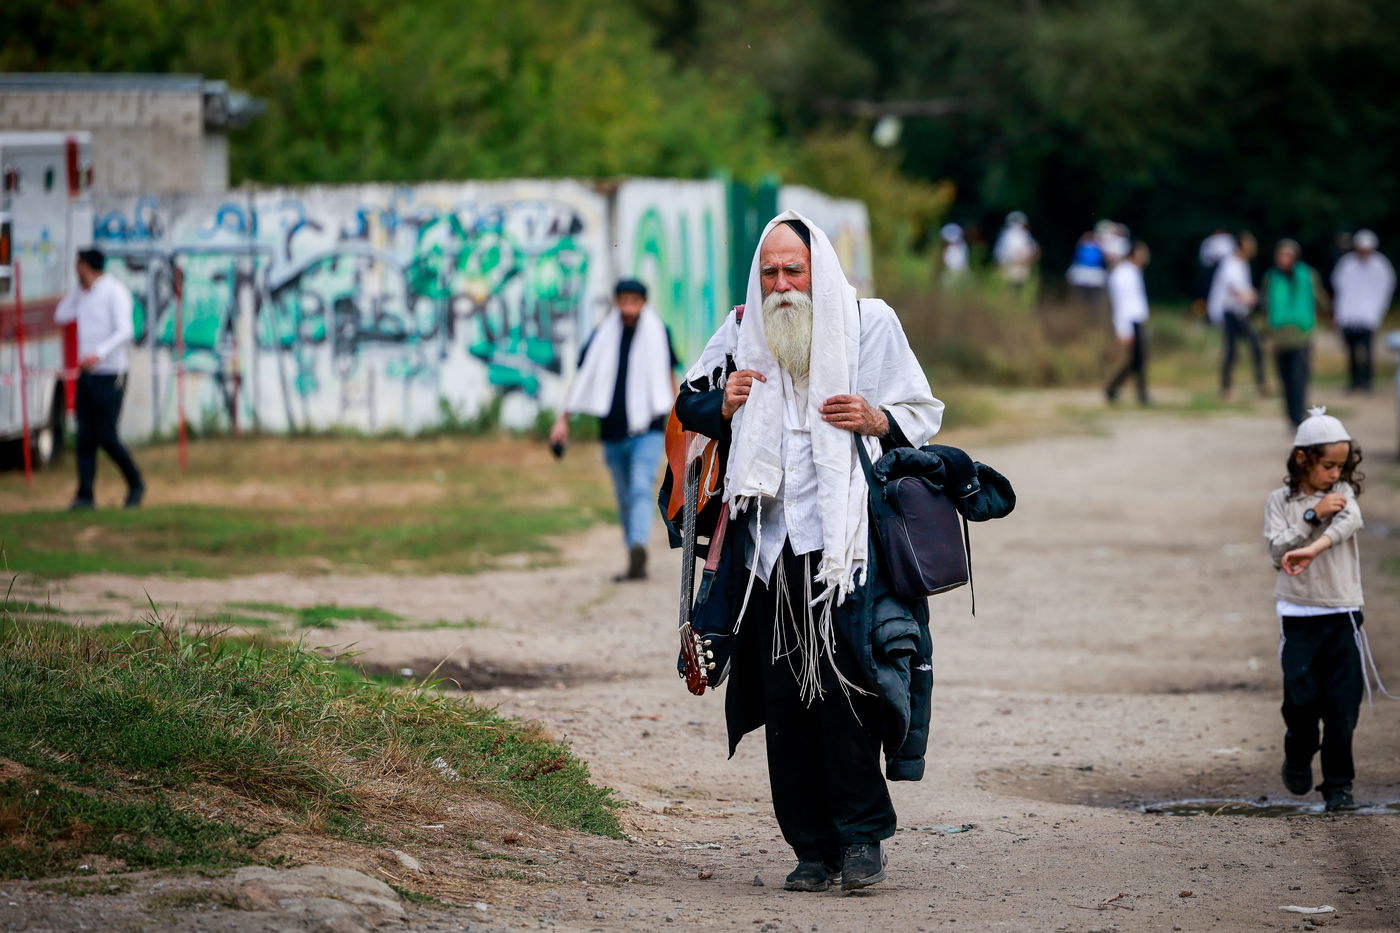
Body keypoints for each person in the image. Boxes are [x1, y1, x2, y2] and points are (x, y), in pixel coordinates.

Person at [675, 212, 944, 893]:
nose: (782, 284)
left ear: (817, 268)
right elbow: (688, 403)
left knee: (848, 690)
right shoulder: (742, 329)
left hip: (842, 548)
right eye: (770, 271)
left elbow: (920, 408)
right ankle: (810, 847)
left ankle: (861, 839)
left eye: (793, 269)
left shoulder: (869, 320)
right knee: (783, 702)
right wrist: (725, 403)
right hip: (766, 548)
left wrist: (876, 418)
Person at [1266, 407, 1393, 812]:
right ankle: (1299, 751)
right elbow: (1276, 550)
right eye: (1327, 465)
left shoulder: (1344, 496)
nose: (1335, 473)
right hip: (1299, 615)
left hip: (1343, 613)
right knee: (1300, 703)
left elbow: (1348, 523)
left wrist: (1314, 545)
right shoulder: (1280, 502)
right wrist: (1310, 517)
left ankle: (1340, 785)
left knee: (1342, 707)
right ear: (1303, 459)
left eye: (1341, 465)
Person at [551, 279, 678, 582]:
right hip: (611, 432)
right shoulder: (601, 336)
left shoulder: (659, 333)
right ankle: (634, 555)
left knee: (639, 486)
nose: (629, 307)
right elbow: (583, 377)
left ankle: (637, 544)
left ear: (643, 303)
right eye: (624, 300)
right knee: (623, 496)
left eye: (635, 301)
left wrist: (679, 418)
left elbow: (669, 376)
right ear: (617, 302)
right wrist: (563, 419)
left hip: (648, 428)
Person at [53, 248, 144, 510]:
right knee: (85, 437)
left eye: (78, 265)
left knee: (107, 436)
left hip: (111, 374)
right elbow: (61, 315)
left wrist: (99, 353)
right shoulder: (83, 294)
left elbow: (126, 330)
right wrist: (77, 291)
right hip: (87, 375)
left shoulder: (115, 291)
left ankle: (135, 482)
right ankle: (85, 495)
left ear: (86, 265)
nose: (75, 270)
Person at [1262, 240, 1325, 427]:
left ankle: (1298, 417)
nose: (1283, 259)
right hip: (1279, 335)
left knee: (1299, 378)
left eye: (1287, 254)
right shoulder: (1271, 277)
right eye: (1280, 254)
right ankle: (1291, 416)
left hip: (1301, 334)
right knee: (1285, 379)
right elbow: (1265, 305)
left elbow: (1320, 299)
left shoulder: (1308, 275)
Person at [1331, 230, 1396, 393]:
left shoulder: (1380, 265)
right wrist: (1339, 312)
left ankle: (1367, 381)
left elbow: (1385, 290)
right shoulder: (1347, 264)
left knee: (1367, 349)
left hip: (1369, 314)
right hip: (1349, 313)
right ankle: (1354, 381)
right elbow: (1339, 288)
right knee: (1351, 349)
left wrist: (1377, 311)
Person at [1208, 232, 1268, 399]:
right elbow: (1233, 288)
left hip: (1240, 311)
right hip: (1231, 311)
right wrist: (1251, 298)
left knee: (1248, 347)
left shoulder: (1242, 264)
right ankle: (1228, 386)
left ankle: (1257, 383)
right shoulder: (1231, 263)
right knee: (1235, 349)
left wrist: (1250, 296)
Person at [1104, 242, 1151, 405]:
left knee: (1137, 360)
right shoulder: (1122, 274)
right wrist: (1122, 328)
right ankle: (1139, 394)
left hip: (1137, 320)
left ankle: (1114, 388)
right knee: (1138, 359)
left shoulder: (1134, 272)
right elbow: (1120, 303)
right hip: (1129, 322)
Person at [992, 211, 1039, 290]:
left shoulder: (1004, 234)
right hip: (1016, 268)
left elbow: (997, 254)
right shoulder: (1020, 234)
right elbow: (1035, 250)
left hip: (1007, 267)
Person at [1066, 231, 1108, 309]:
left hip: (1081, 277)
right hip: (1094, 278)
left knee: (1079, 300)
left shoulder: (1082, 247)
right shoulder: (1099, 248)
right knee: (1093, 302)